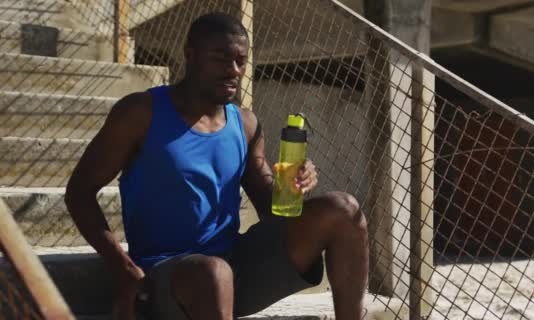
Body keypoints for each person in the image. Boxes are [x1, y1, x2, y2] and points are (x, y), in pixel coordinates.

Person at [65, 13, 369, 320]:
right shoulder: (140, 113)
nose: (233, 70)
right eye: (221, 58)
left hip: (234, 270)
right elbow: (79, 193)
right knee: (213, 272)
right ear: (190, 55)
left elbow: (271, 210)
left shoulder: (246, 124)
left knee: (344, 209)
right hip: (168, 276)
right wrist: (122, 267)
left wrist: (292, 187)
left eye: (241, 60)